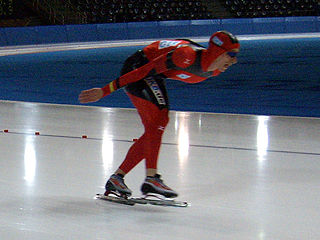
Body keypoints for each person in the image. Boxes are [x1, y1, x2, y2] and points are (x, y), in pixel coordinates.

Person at [79, 30, 240, 199]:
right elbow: (143, 71)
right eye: (231, 55)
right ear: (218, 51)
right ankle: (151, 178)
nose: (234, 60)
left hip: (155, 76)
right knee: (159, 121)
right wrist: (105, 91)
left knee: (155, 128)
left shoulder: (214, 70)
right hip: (138, 67)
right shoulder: (186, 56)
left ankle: (117, 178)